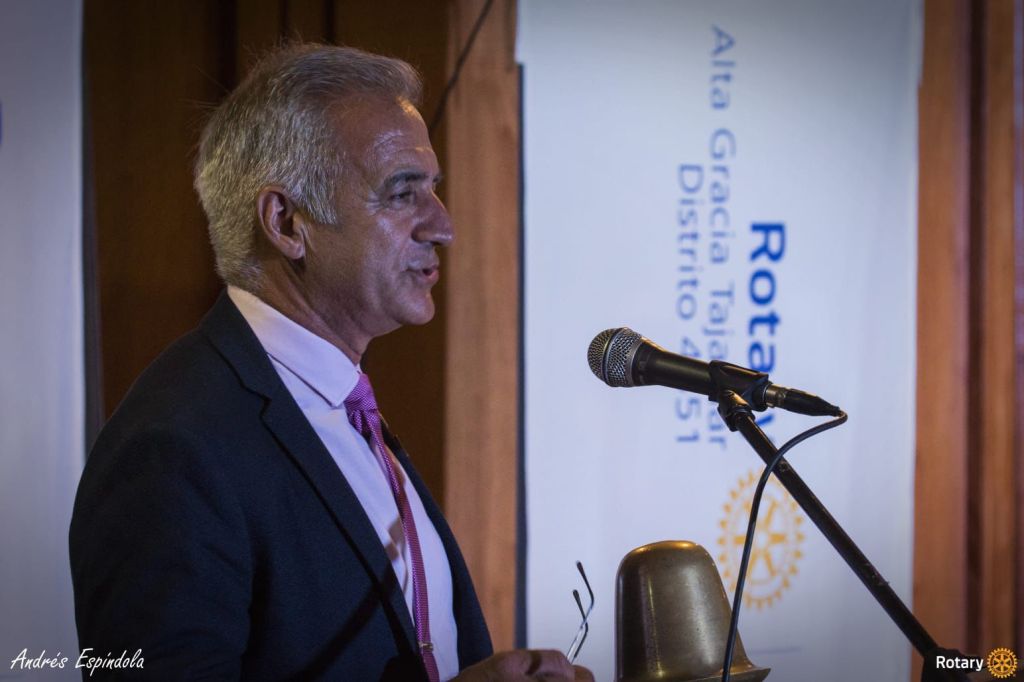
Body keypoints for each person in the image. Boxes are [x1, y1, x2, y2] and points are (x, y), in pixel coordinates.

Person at [69, 44, 592, 681]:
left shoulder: (341, 406)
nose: (443, 226)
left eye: (433, 189)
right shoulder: (173, 449)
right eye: (402, 192)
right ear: (288, 222)